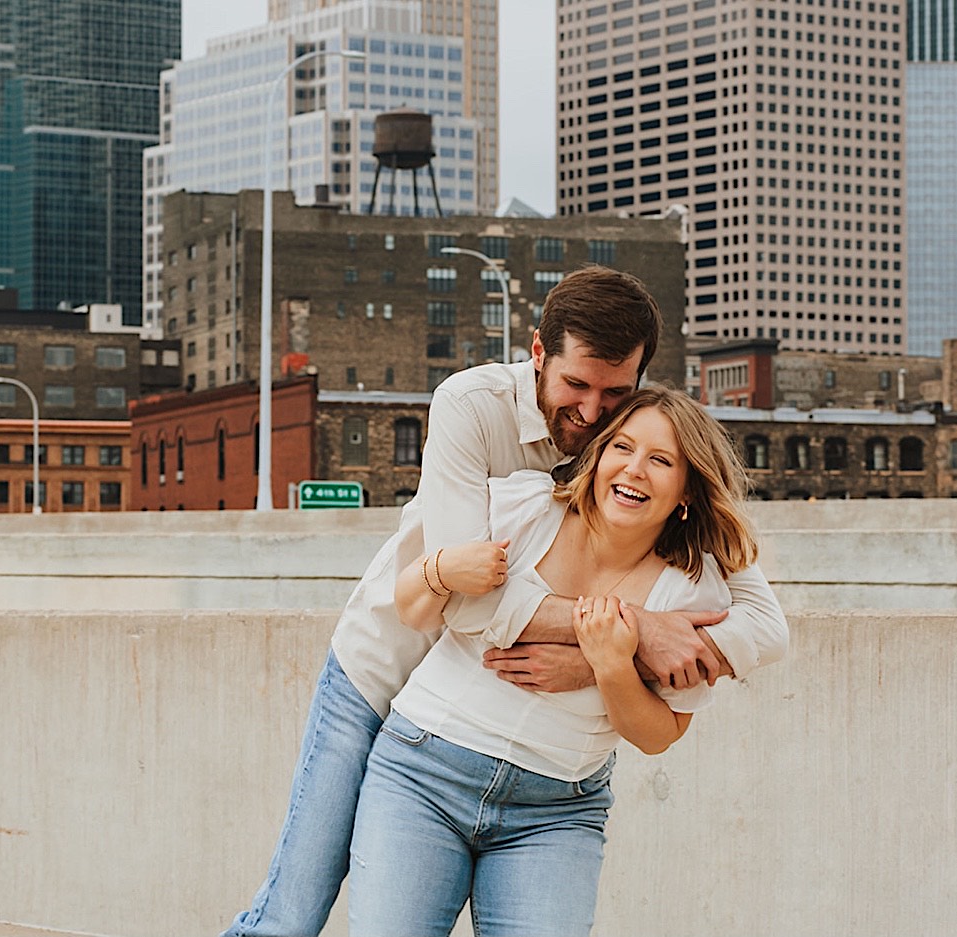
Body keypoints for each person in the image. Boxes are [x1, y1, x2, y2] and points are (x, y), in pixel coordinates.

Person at [220, 268, 788, 937]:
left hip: (540, 770)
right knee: (292, 908)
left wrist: (609, 659)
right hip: (384, 668)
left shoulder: (635, 461)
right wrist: (629, 631)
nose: (593, 410)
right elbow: (470, 604)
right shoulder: (474, 406)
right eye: (576, 385)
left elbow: (762, 626)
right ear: (538, 354)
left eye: (616, 392)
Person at [348, 386, 761, 936]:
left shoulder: (693, 594)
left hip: (557, 812)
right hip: (422, 774)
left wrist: (611, 664)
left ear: (687, 493)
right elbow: (415, 608)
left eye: (661, 460)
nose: (634, 470)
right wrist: (441, 570)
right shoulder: (525, 507)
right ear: (598, 455)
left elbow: (660, 734)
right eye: (622, 447)